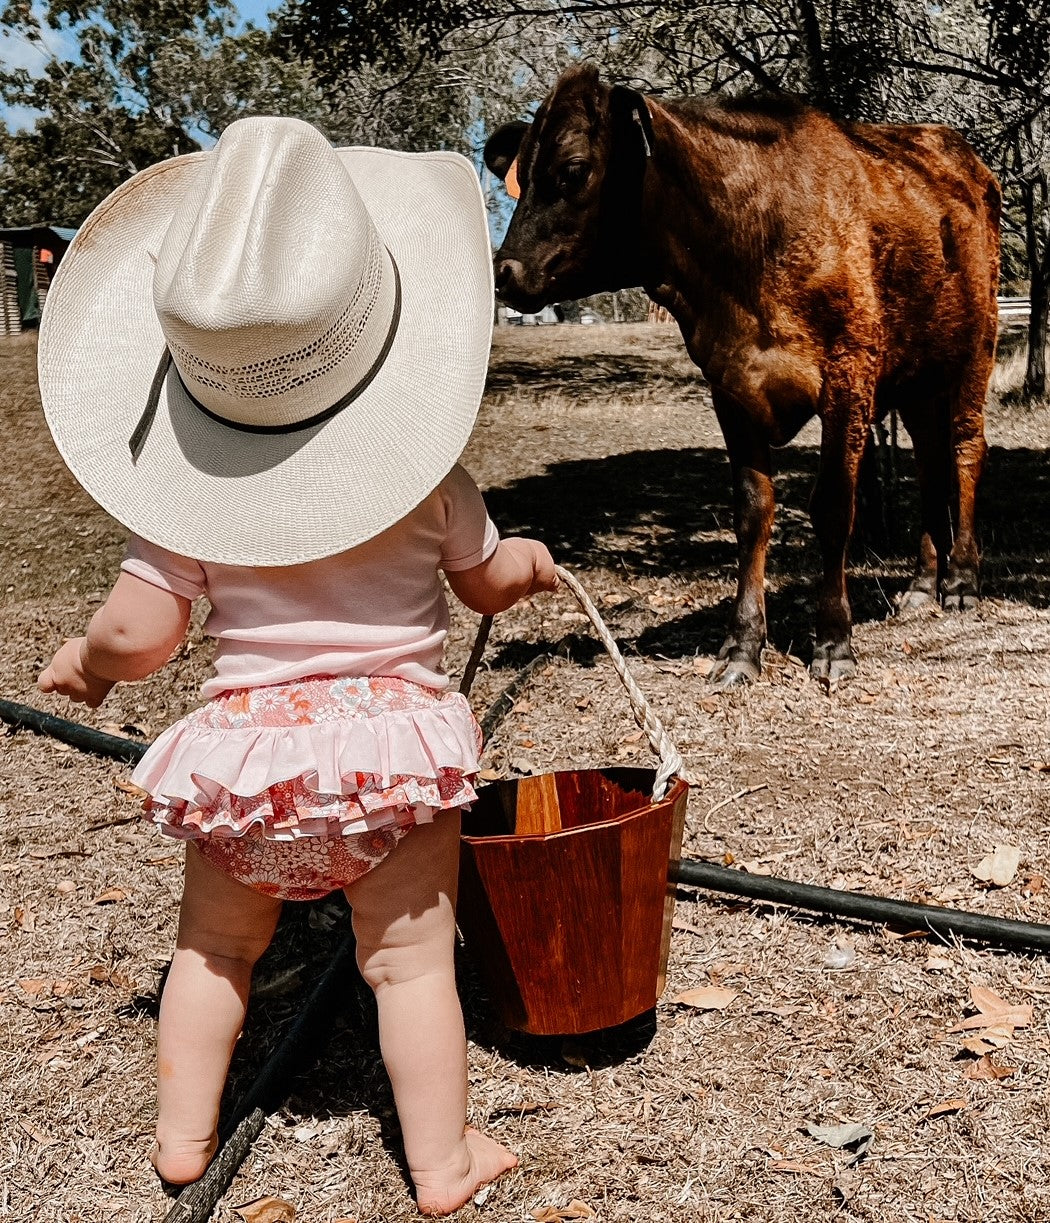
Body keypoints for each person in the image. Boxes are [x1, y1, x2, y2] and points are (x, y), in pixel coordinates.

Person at [35, 115, 556, 1216]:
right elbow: (485, 583)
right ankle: (443, 1158)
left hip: (249, 768)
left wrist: (87, 663)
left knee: (214, 952)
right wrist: (525, 567)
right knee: (409, 965)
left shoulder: (191, 500)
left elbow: (139, 635)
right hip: (389, 758)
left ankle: (183, 1135)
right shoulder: (433, 479)